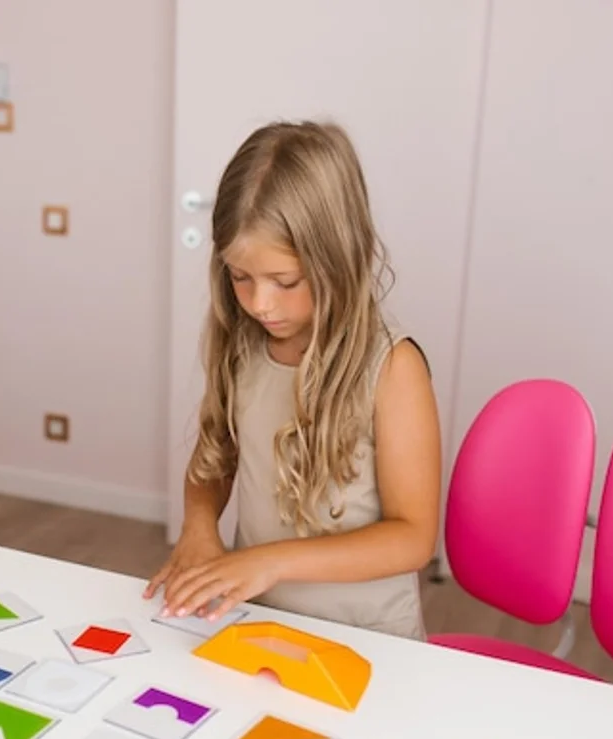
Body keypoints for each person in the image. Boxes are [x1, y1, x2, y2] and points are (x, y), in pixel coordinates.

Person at [143, 120, 442, 640]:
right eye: (240, 277)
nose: (260, 303)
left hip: (366, 637)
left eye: (285, 282)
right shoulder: (245, 342)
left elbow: (413, 538)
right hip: (257, 620)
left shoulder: (393, 367)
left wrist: (270, 562)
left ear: (336, 259)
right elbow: (215, 457)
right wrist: (198, 524)